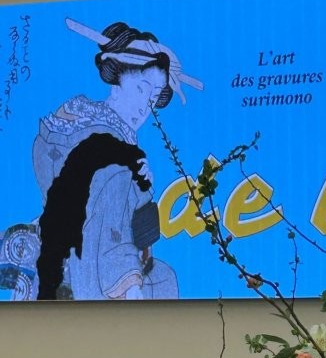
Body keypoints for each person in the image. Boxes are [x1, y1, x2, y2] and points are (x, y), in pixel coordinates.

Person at [33, 18, 203, 300]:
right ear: (117, 80)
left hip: (64, 247)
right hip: (92, 262)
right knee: (163, 283)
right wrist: (129, 283)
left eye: (153, 98)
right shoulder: (110, 152)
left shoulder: (80, 120)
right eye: (141, 89)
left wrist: (140, 187)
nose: (145, 107)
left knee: (163, 276)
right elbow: (108, 224)